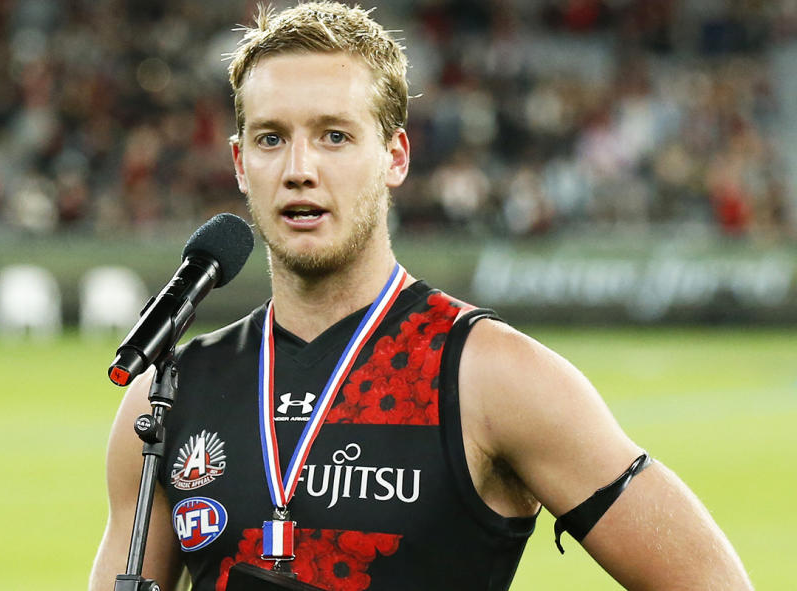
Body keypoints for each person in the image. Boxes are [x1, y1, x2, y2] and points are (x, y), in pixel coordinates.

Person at [90, 3, 752, 590]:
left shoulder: (494, 378)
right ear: (239, 163)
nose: (299, 169)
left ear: (396, 156)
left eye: (335, 135)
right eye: (271, 138)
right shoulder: (168, 394)